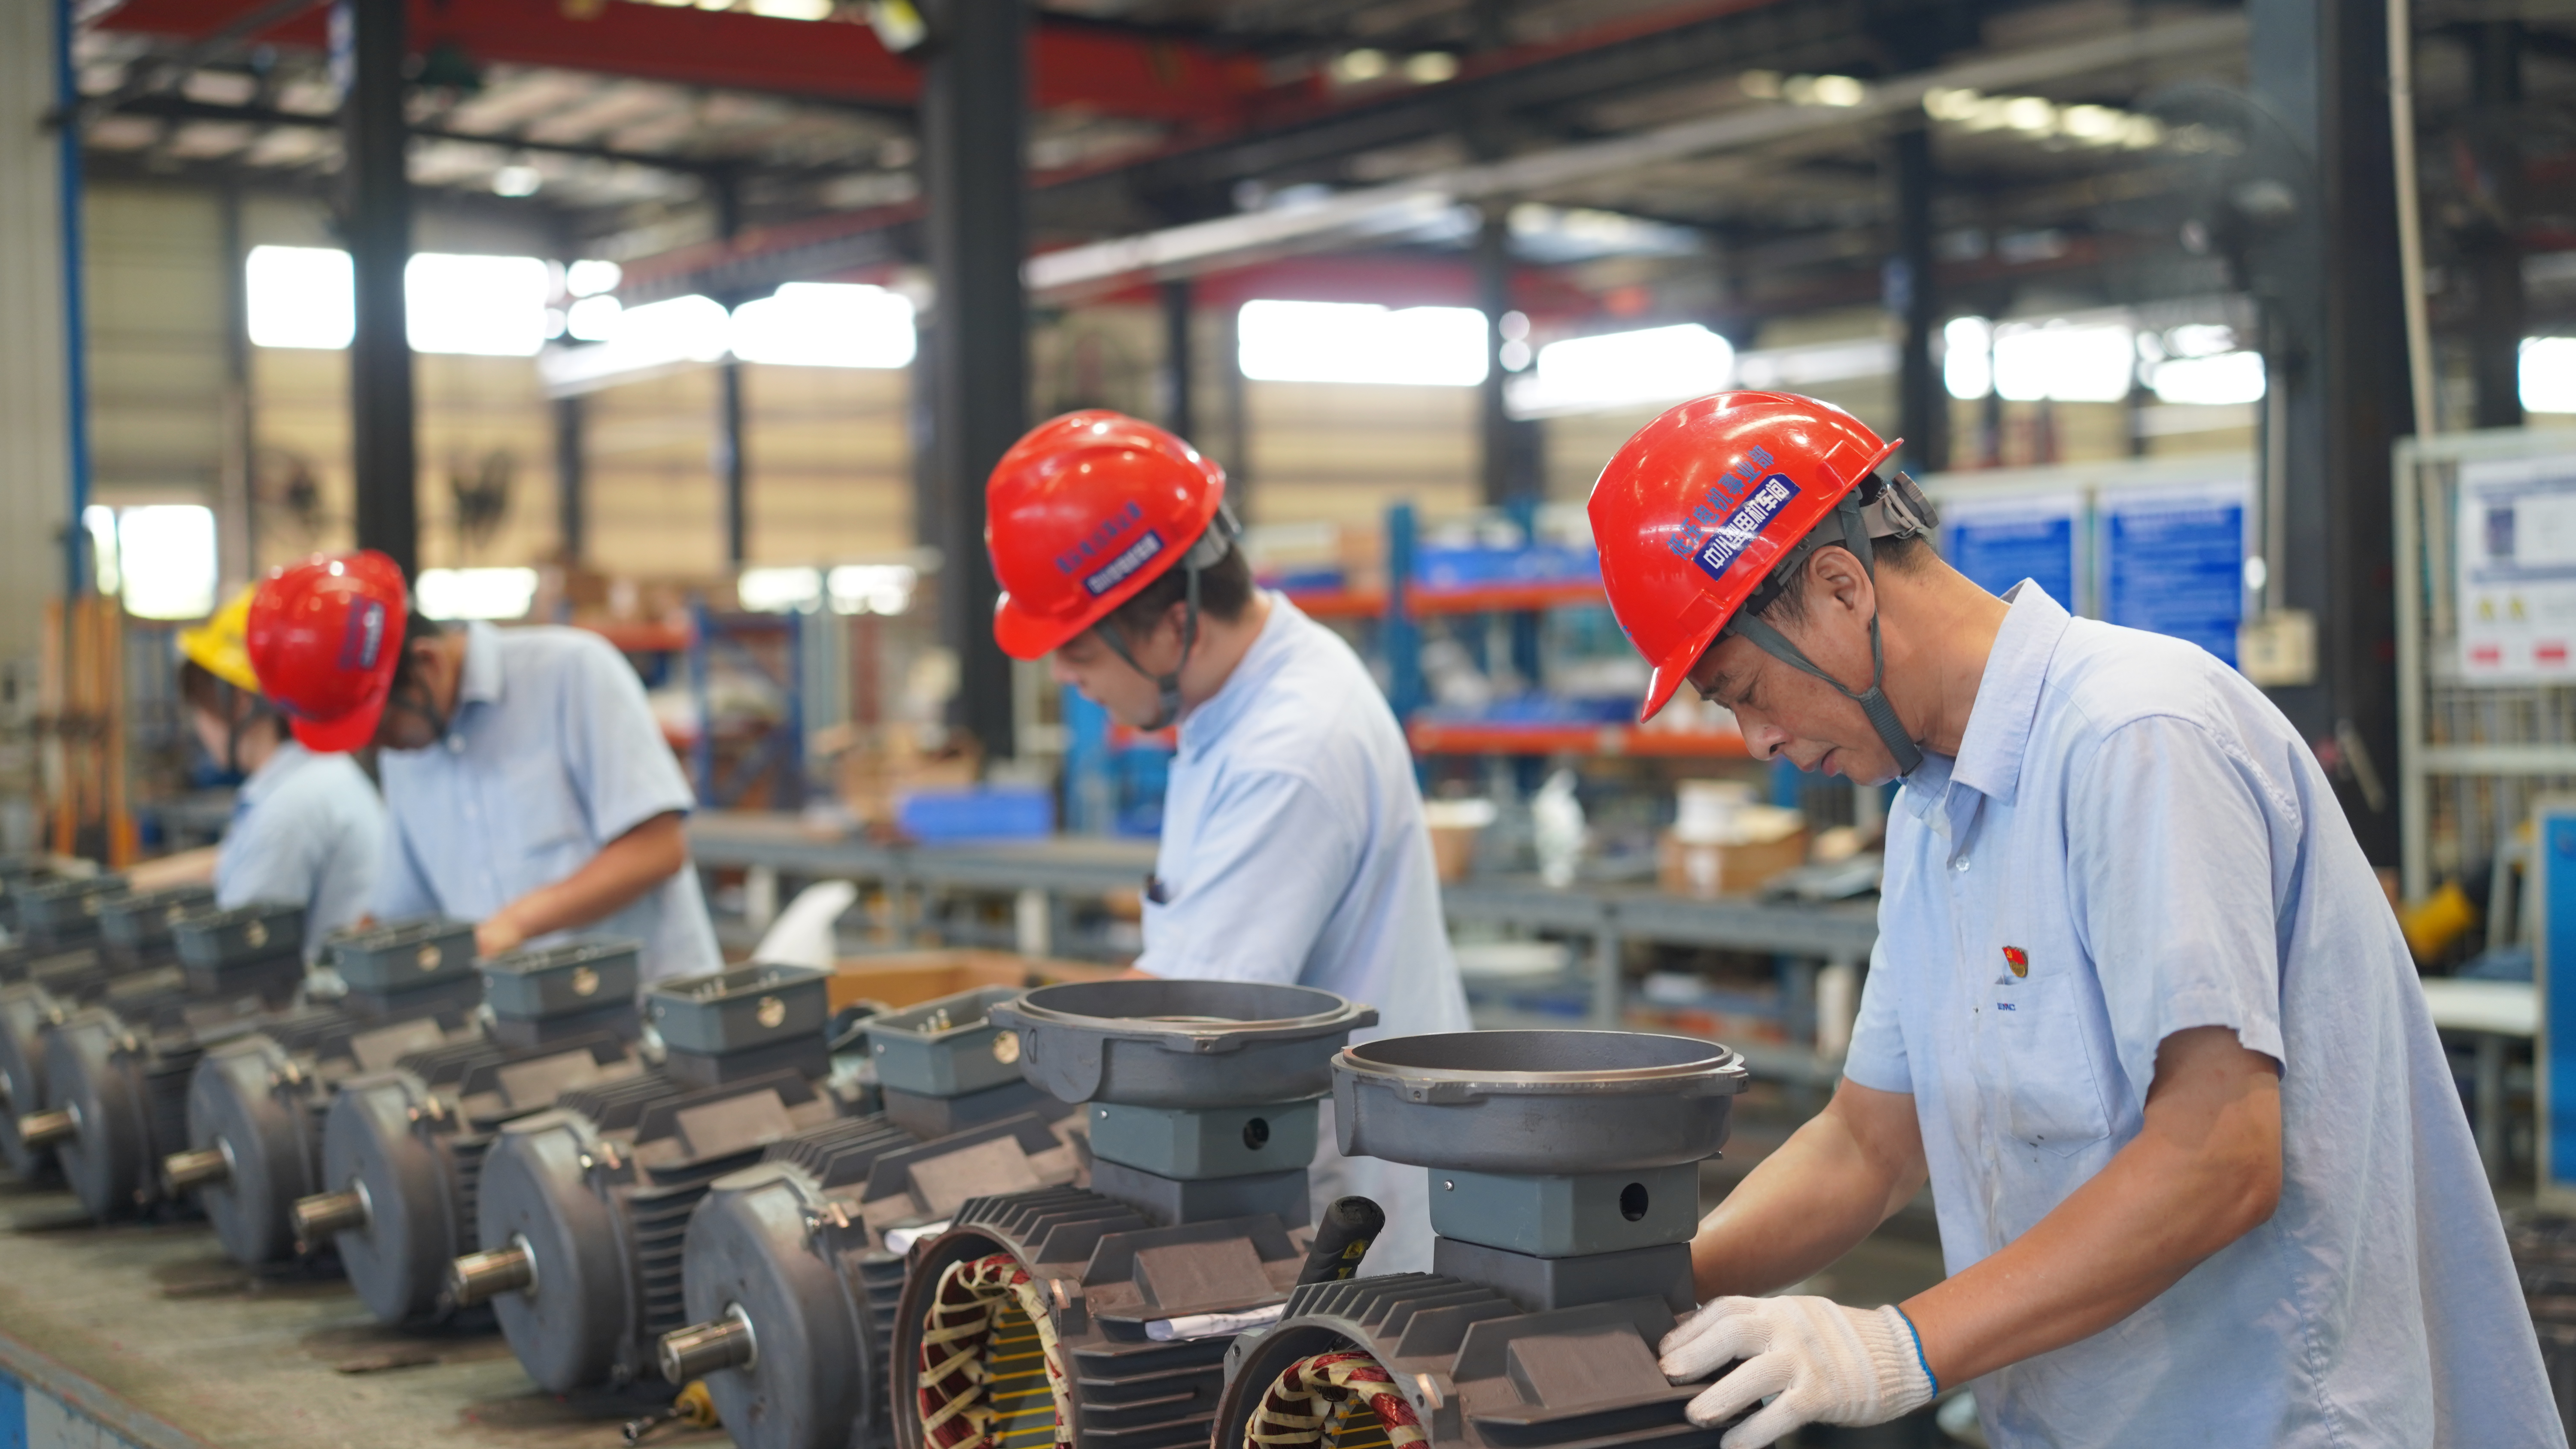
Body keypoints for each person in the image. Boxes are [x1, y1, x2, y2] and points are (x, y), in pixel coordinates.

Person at [1585, 391, 2558, 1449]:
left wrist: (1896, 1343)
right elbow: (1870, 1143)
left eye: (1742, 690)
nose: (1755, 740)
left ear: (1838, 587)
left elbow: (2219, 1155)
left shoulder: (2136, 736)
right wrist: (1631, 1293)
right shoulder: (1931, 810)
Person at [984, 409, 1473, 1273]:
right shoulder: (1237, 696)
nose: (1063, 676)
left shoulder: (1291, 748)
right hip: (1291, 1168)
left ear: (1175, 624)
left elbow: (1187, 1021)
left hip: (1348, 1223)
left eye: (1079, 651)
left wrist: (994, 1086)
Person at [245, 551, 721, 983]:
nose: (386, 749)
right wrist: (346, 962)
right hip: (522, 1025)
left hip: (651, 1008)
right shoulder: (406, 751)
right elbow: (405, 907)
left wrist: (513, 924)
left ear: (427, 664)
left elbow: (658, 849)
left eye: (386, 729)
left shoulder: (571, 674)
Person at [132, 586, 385, 959]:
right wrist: (123, 884)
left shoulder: (290, 807)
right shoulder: (316, 774)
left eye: (202, 707)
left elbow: (238, 949)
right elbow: (231, 860)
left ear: (240, 702)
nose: (200, 727)